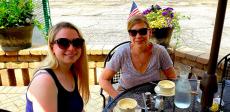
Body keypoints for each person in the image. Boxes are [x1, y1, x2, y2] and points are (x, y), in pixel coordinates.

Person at [99, 15, 176, 99]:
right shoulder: (122, 53)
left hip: (152, 96)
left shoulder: (160, 52)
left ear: (149, 32)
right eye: (133, 32)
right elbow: (103, 79)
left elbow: (172, 77)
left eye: (142, 31)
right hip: (126, 96)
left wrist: (166, 95)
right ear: (129, 35)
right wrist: (118, 98)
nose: (138, 36)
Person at [26, 22, 90, 112]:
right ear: (52, 47)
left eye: (77, 42)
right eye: (63, 43)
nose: (71, 48)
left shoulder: (71, 71)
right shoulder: (44, 81)